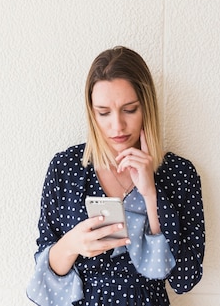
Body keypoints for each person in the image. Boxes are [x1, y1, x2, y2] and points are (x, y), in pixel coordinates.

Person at [27, 46, 205, 306]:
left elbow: (184, 279)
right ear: (91, 112)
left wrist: (150, 195)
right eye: (104, 112)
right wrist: (72, 244)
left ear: (146, 106)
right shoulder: (66, 169)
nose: (117, 126)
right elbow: (44, 273)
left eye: (129, 109)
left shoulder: (178, 174)